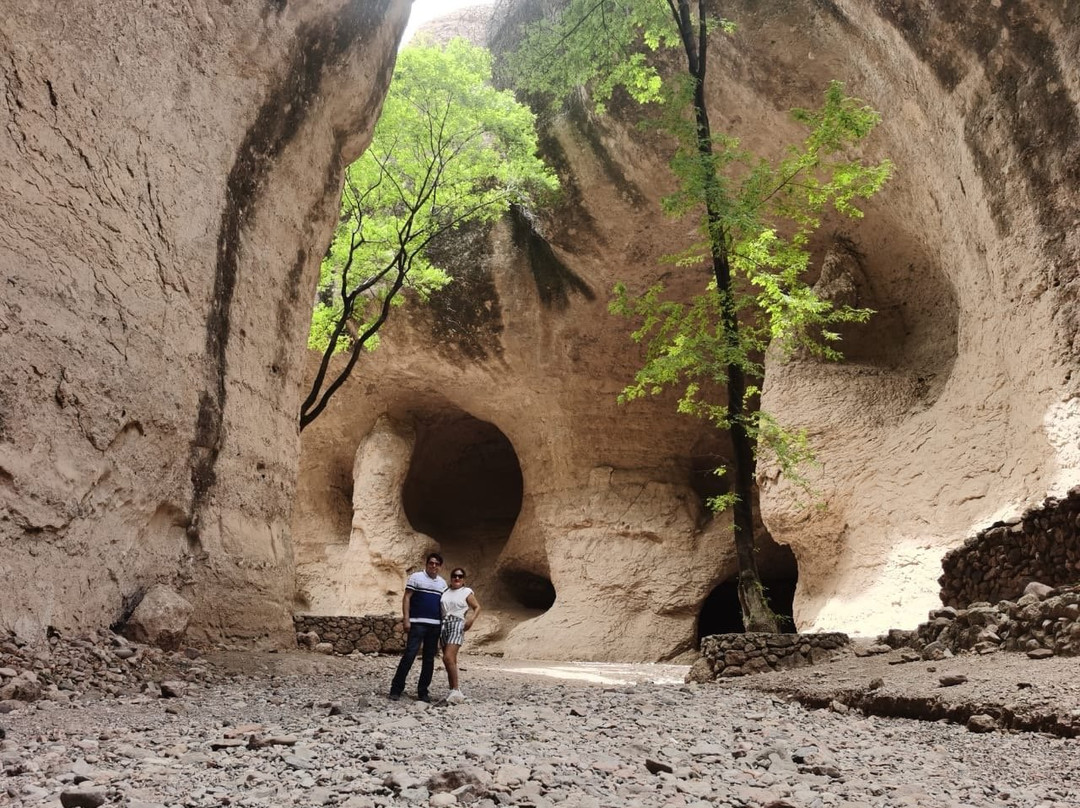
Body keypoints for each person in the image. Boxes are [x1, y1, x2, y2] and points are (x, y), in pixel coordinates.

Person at [389, 551, 446, 702]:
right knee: (409, 655)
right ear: (427, 564)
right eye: (431, 563)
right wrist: (406, 619)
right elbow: (407, 597)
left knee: (429, 659)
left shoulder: (442, 583)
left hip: (434, 626)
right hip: (418, 623)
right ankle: (396, 689)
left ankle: (423, 692)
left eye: (436, 564)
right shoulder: (416, 578)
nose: (433, 566)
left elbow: (443, 605)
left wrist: (443, 624)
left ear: (440, 566)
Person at [440, 566, 481, 704]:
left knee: (448, 657)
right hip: (444, 625)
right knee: (449, 660)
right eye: (454, 576)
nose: (457, 578)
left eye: (460, 576)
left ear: (463, 580)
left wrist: (471, 620)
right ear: (451, 578)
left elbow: (477, 607)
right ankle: (452, 689)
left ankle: (456, 689)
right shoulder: (445, 591)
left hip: (457, 623)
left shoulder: (466, 591)